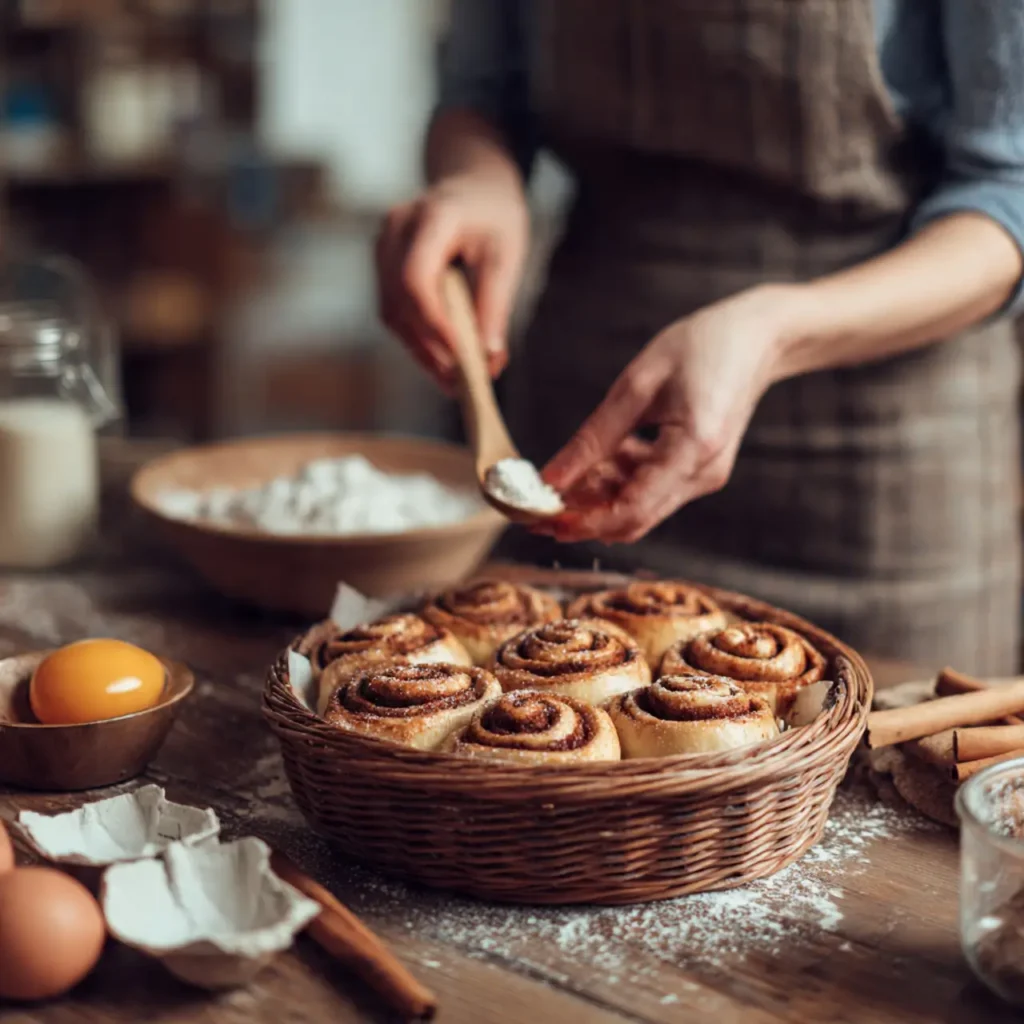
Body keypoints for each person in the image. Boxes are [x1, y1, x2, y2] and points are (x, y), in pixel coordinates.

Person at [375, 0, 1024, 675]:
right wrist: (477, 183)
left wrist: (774, 334)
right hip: (584, 459)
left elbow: (1009, 193)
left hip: (885, 494)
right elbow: (479, 94)